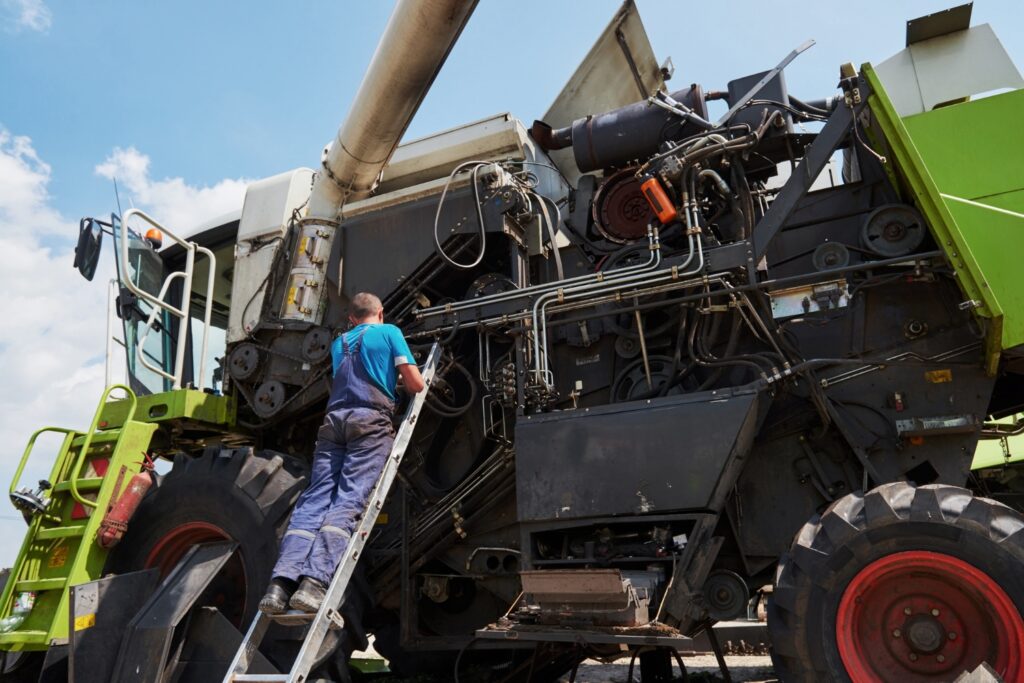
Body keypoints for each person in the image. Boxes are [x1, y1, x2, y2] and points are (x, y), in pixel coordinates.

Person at [259, 292, 424, 614]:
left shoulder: (340, 343)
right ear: (382, 312)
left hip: (334, 422)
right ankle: (313, 584)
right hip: (369, 422)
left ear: (351, 319)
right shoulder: (389, 333)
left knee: (315, 501)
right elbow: (416, 384)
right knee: (348, 500)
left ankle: (279, 586)